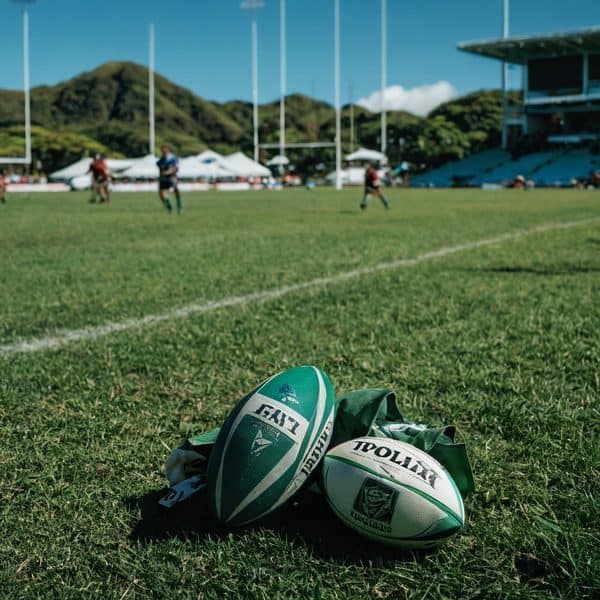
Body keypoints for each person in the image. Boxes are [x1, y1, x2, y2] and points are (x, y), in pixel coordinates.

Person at [157, 145, 182, 213]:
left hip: (171, 177)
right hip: (164, 178)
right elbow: (160, 170)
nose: (164, 151)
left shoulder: (173, 158)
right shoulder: (161, 160)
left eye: (165, 150)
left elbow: (175, 169)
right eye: (163, 150)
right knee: (162, 193)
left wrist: (168, 172)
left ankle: (179, 205)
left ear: (168, 150)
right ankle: (169, 206)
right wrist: (161, 177)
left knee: (176, 189)